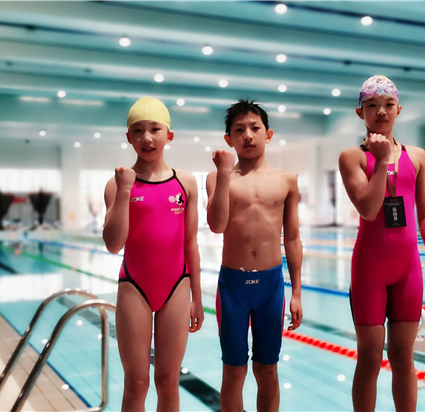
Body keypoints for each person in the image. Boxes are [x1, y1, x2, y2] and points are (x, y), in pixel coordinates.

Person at [338, 75, 425, 412]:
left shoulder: (418, 156)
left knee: (402, 356)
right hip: (369, 269)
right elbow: (368, 210)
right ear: (360, 112)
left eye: (388, 105)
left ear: (399, 109)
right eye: (372, 105)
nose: (381, 111)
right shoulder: (352, 157)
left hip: (408, 269)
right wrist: (382, 160)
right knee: (370, 357)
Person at [103, 97, 204, 411]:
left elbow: (190, 244)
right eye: (138, 130)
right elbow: (113, 244)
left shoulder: (185, 182)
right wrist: (124, 191)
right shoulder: (117, 184)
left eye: (155, 129)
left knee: (168, 380)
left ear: (168, 135)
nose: (146, 137)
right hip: (134, 286)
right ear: (129, 137)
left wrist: (197, 298)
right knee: (136, 383)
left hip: (177, 285)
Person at [206, 99, 303, 412]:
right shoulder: (218, 178)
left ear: (268, 134)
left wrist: (297, 292)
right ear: (229, 139)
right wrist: (223, 173)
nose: (247, 135)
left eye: (254, 128)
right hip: (232, 286)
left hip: (271, 285)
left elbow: (293, 237)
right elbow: (216, 226)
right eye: (239, 130)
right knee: (234, 371)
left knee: (267, 369)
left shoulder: (286, 180)